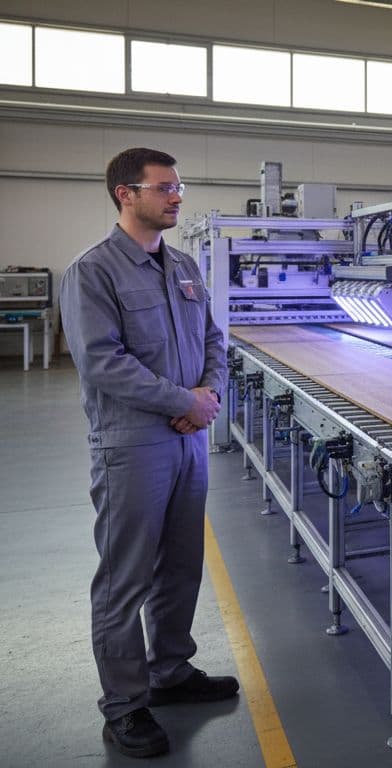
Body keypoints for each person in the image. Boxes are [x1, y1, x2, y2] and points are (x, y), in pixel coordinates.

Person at [61, 148, 238, 759]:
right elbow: (102, 362)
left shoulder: (183, 266)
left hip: (188, 441)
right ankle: (125, 707)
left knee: (182, 565)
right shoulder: (93, 271)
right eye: (164, 188)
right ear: (125, 194)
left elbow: (213, 338)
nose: (177, 196)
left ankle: (170, 672)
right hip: (132, 445)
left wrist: (208, 394)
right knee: (124, 579)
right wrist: (180, 401)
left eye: (178, 186)